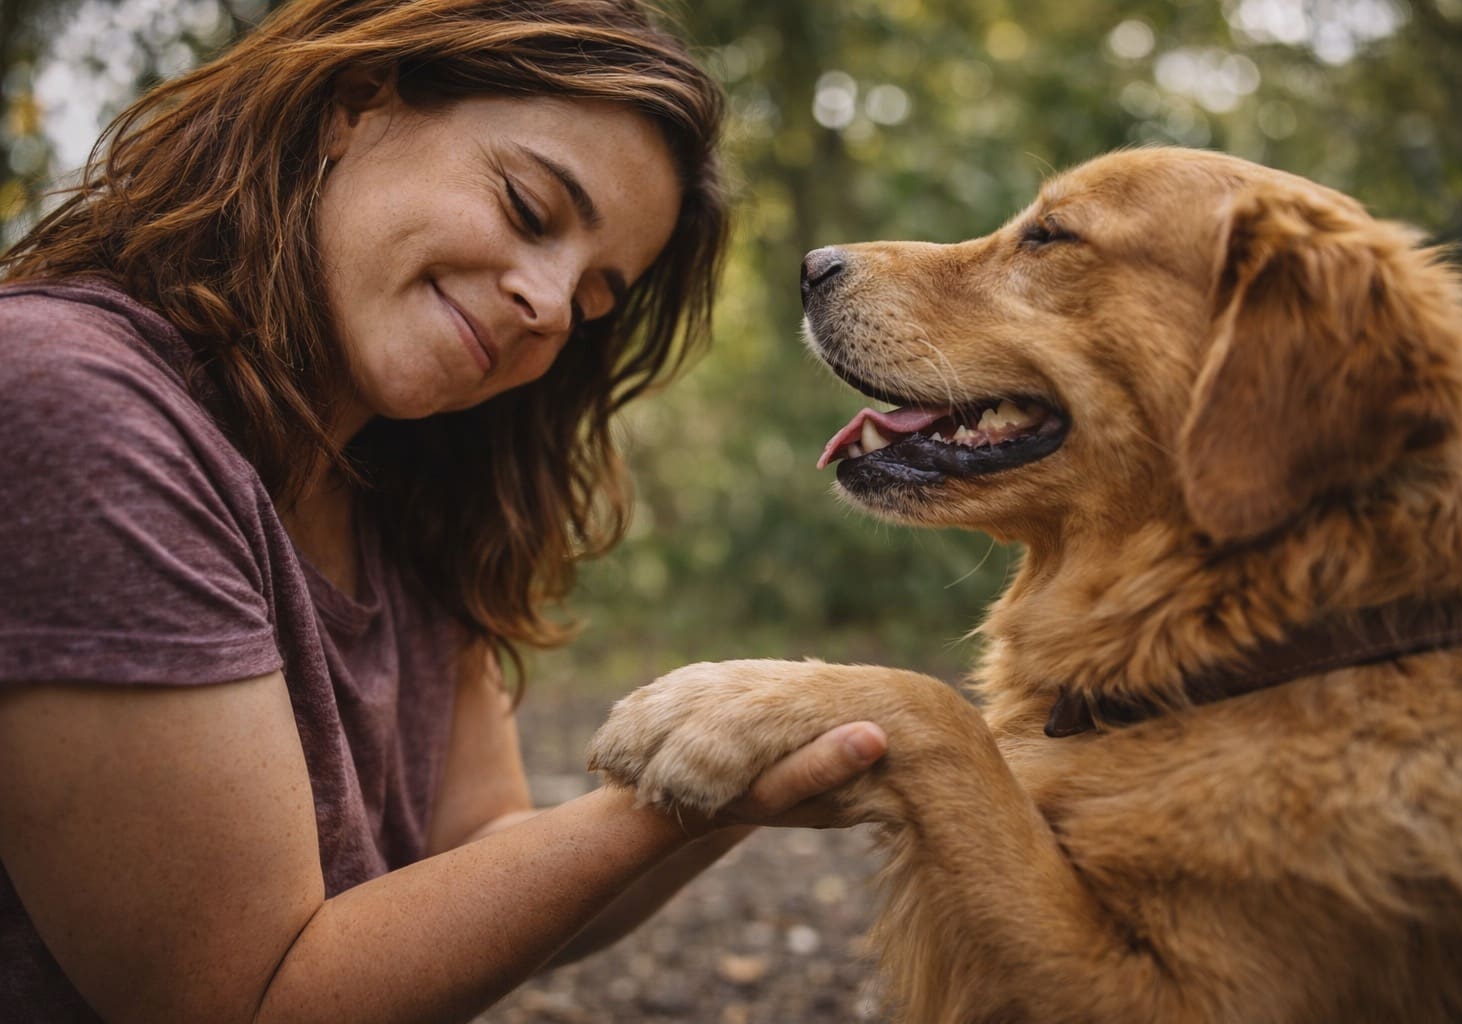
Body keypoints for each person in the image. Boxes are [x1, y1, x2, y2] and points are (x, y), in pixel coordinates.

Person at [0, 1, 888, 1020]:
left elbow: (483, 852)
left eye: (591, 301)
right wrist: (680, 805)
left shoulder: (407, 492)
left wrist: (742, 777)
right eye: (527, 208)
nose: (550, 305)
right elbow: (250, 997)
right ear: (355, 104)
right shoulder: (73, 403)